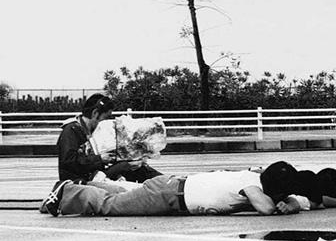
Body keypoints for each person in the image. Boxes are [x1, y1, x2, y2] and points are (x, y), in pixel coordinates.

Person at [41, 161, 302, 217]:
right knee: (110, 206)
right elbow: (267, 209)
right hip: (168, 196)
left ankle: (86, 186)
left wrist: (289, 201)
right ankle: (68, 192)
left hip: (172, 187)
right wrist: (287, 207)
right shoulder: (253, 186)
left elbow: (292, 199)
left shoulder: (254, 174)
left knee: (125, 196)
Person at [57, 93, 162, 184]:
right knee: (125, 167)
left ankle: (166, 182)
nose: (106, 122)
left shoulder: (91, 131)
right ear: (95, 113)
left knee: (135, 166)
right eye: (105, 117)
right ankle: (167, 185)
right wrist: (100, 159)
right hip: (80, 182)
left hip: (94, 175)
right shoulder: (71, 131)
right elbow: (68, 162)